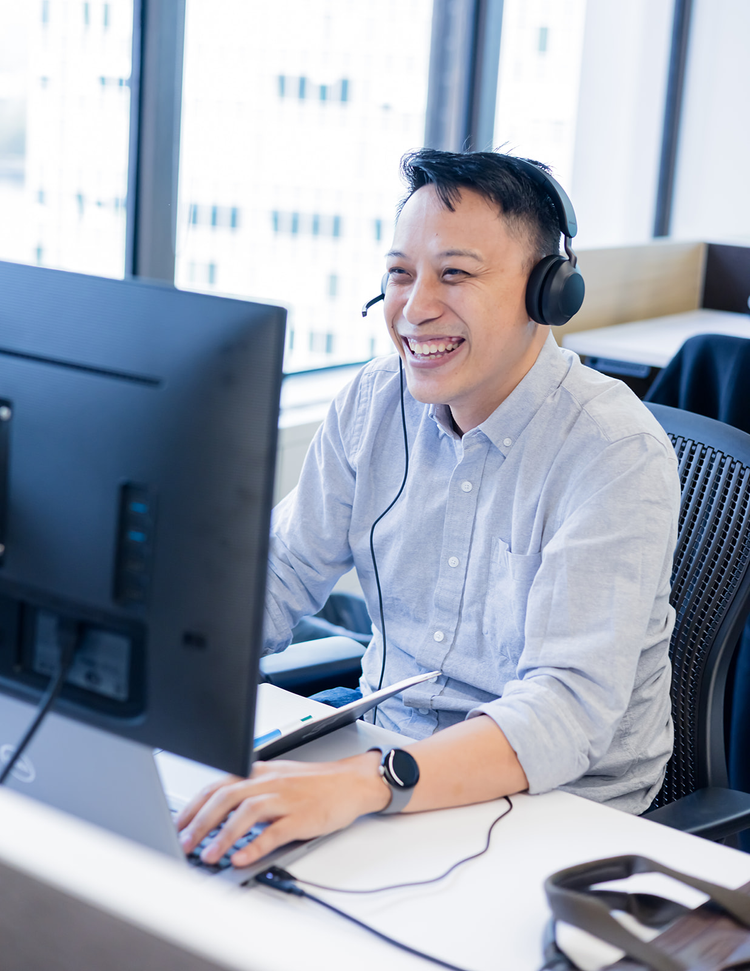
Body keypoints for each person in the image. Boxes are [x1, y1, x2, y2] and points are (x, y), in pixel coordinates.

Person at [177, 149, 680, 868]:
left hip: (558, 813)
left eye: (455, 273)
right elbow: (280, 573)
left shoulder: (613, 453)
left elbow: (564, 711)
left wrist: (361, 783)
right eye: (398, 274)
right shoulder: (373, 403)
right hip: (386, 768)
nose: (413, 309)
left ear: (549, 293)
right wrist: (151, 668)